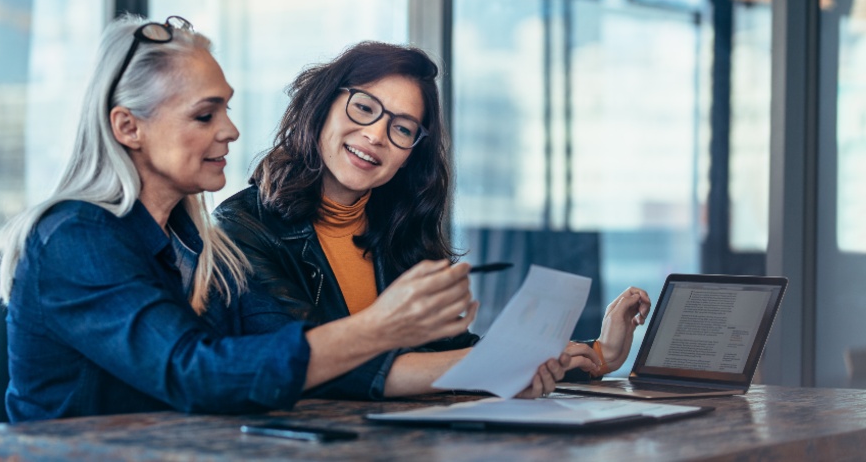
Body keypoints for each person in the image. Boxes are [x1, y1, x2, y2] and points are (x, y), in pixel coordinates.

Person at [0, 16, 570, 423]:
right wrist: (381, 326)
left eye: (226, 107)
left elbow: (276, 359)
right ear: (128, 127)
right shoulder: (75, 237)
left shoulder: (194, 244)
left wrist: (539, 360)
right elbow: (198, 375)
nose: (230, 130)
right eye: (205, 113)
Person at [213, 41, 652, 399]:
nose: (376, 135)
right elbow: (312, 365)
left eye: (402, 128)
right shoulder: (241, 228)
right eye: (364, 108)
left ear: (410, 156)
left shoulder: (397, 229)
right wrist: (501, 366)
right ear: (323, 106)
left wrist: (599, 353)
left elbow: (448, 353)